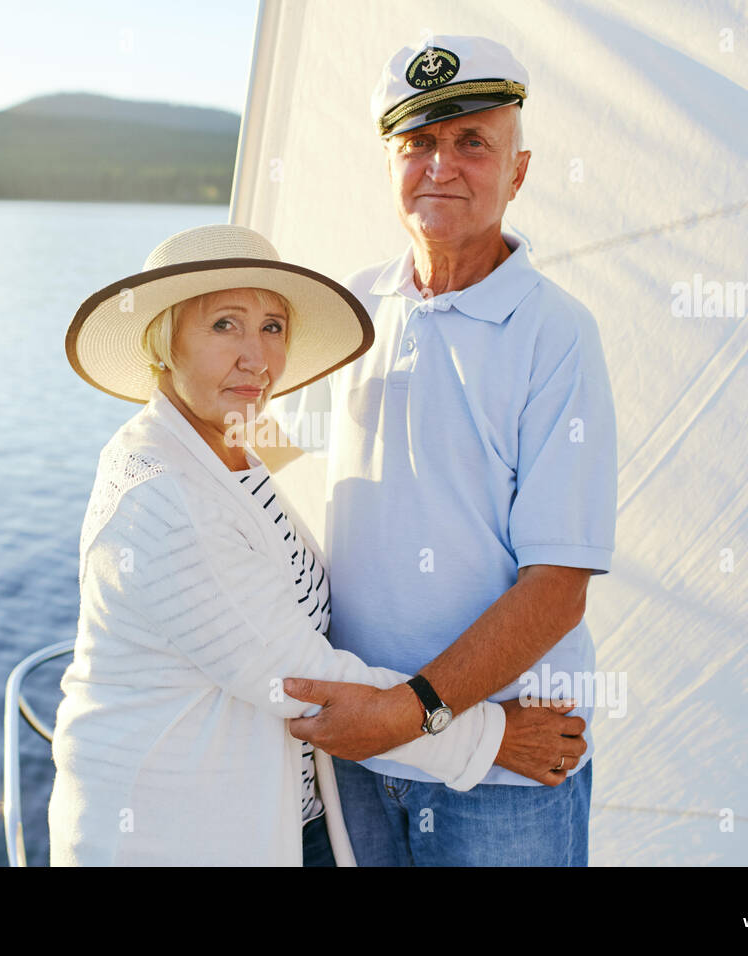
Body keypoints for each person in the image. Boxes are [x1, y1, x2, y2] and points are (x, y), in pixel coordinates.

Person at [48, 222, 578, 866]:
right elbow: (305, 685)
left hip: (284, 817)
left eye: (272, 326)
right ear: (164, 343)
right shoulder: (163, 497)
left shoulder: (228, 449)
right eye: (224, 325)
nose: (257, 356)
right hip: (171, 837)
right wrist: (492, 737)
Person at [263, 35, 617, 866]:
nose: (440, 166)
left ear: (519, 171)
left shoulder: (558, 334)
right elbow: (256, 452)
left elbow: (559, 587)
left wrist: (405, 713)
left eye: (471, 143)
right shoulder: (352, 305)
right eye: (418, 142)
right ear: (390, 163)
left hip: (503, 768)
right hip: (357, 754)